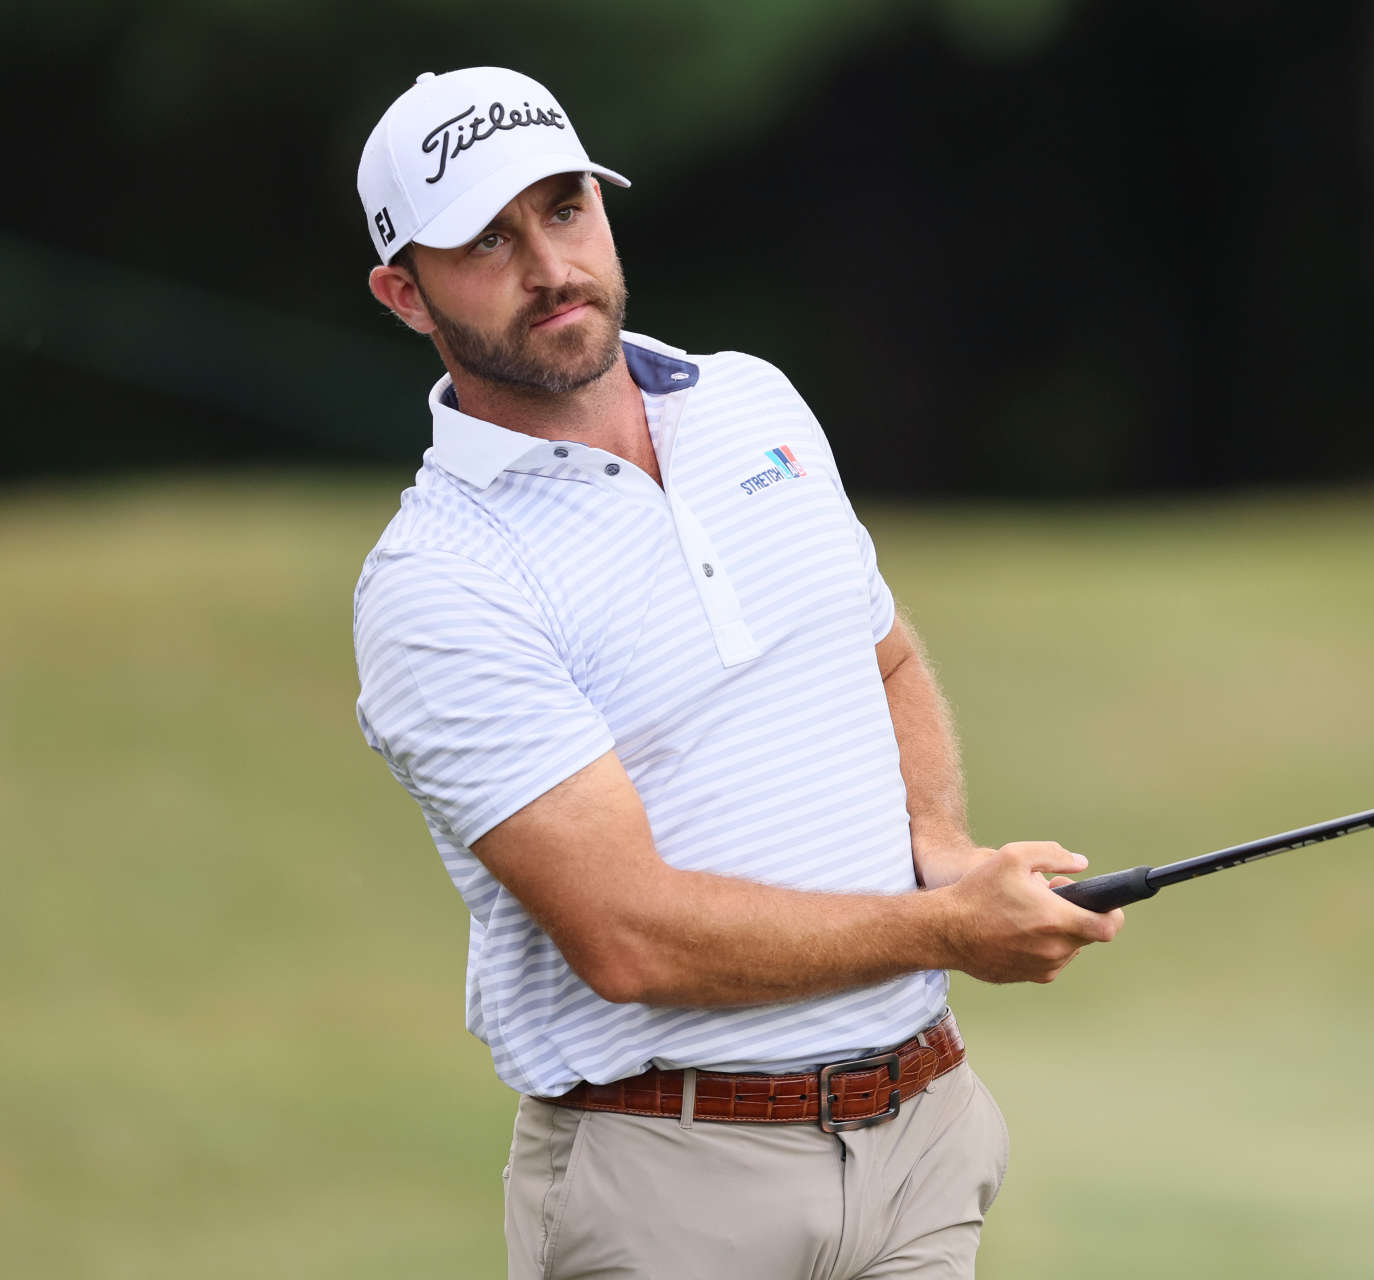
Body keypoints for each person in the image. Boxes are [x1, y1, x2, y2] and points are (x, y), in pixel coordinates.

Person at [350, 66, 1125, 1279]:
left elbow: (882, 654)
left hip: (918, 1141)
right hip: (672, 1183)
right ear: (407, 293)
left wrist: (946, 845)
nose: (549, 264)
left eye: (565, 209)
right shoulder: (439, 580)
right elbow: (630, 935)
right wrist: (944, 926)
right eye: (485, 241)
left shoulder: (751, 401)